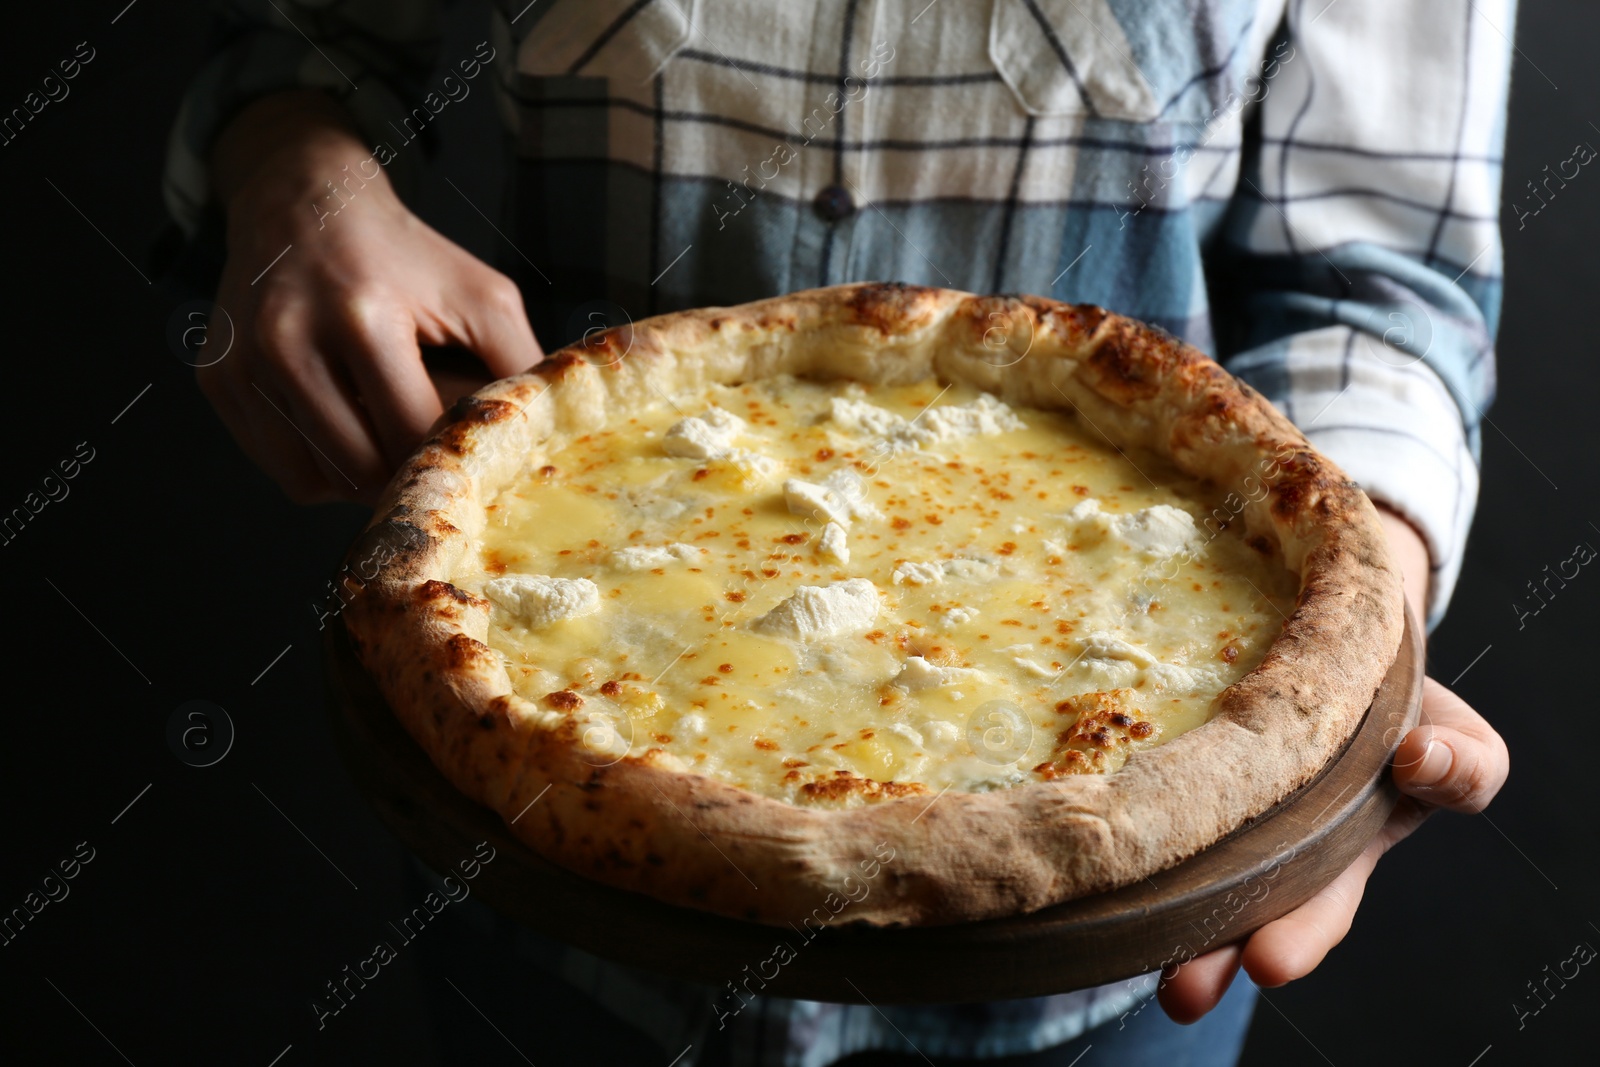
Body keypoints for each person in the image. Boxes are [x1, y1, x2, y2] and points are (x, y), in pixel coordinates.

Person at [160, 1, 1513, 1063]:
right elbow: (294, 38)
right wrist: (293, 171)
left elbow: (1379, 276)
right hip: (552, 910)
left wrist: (1349, 666)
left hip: (1113, 977)